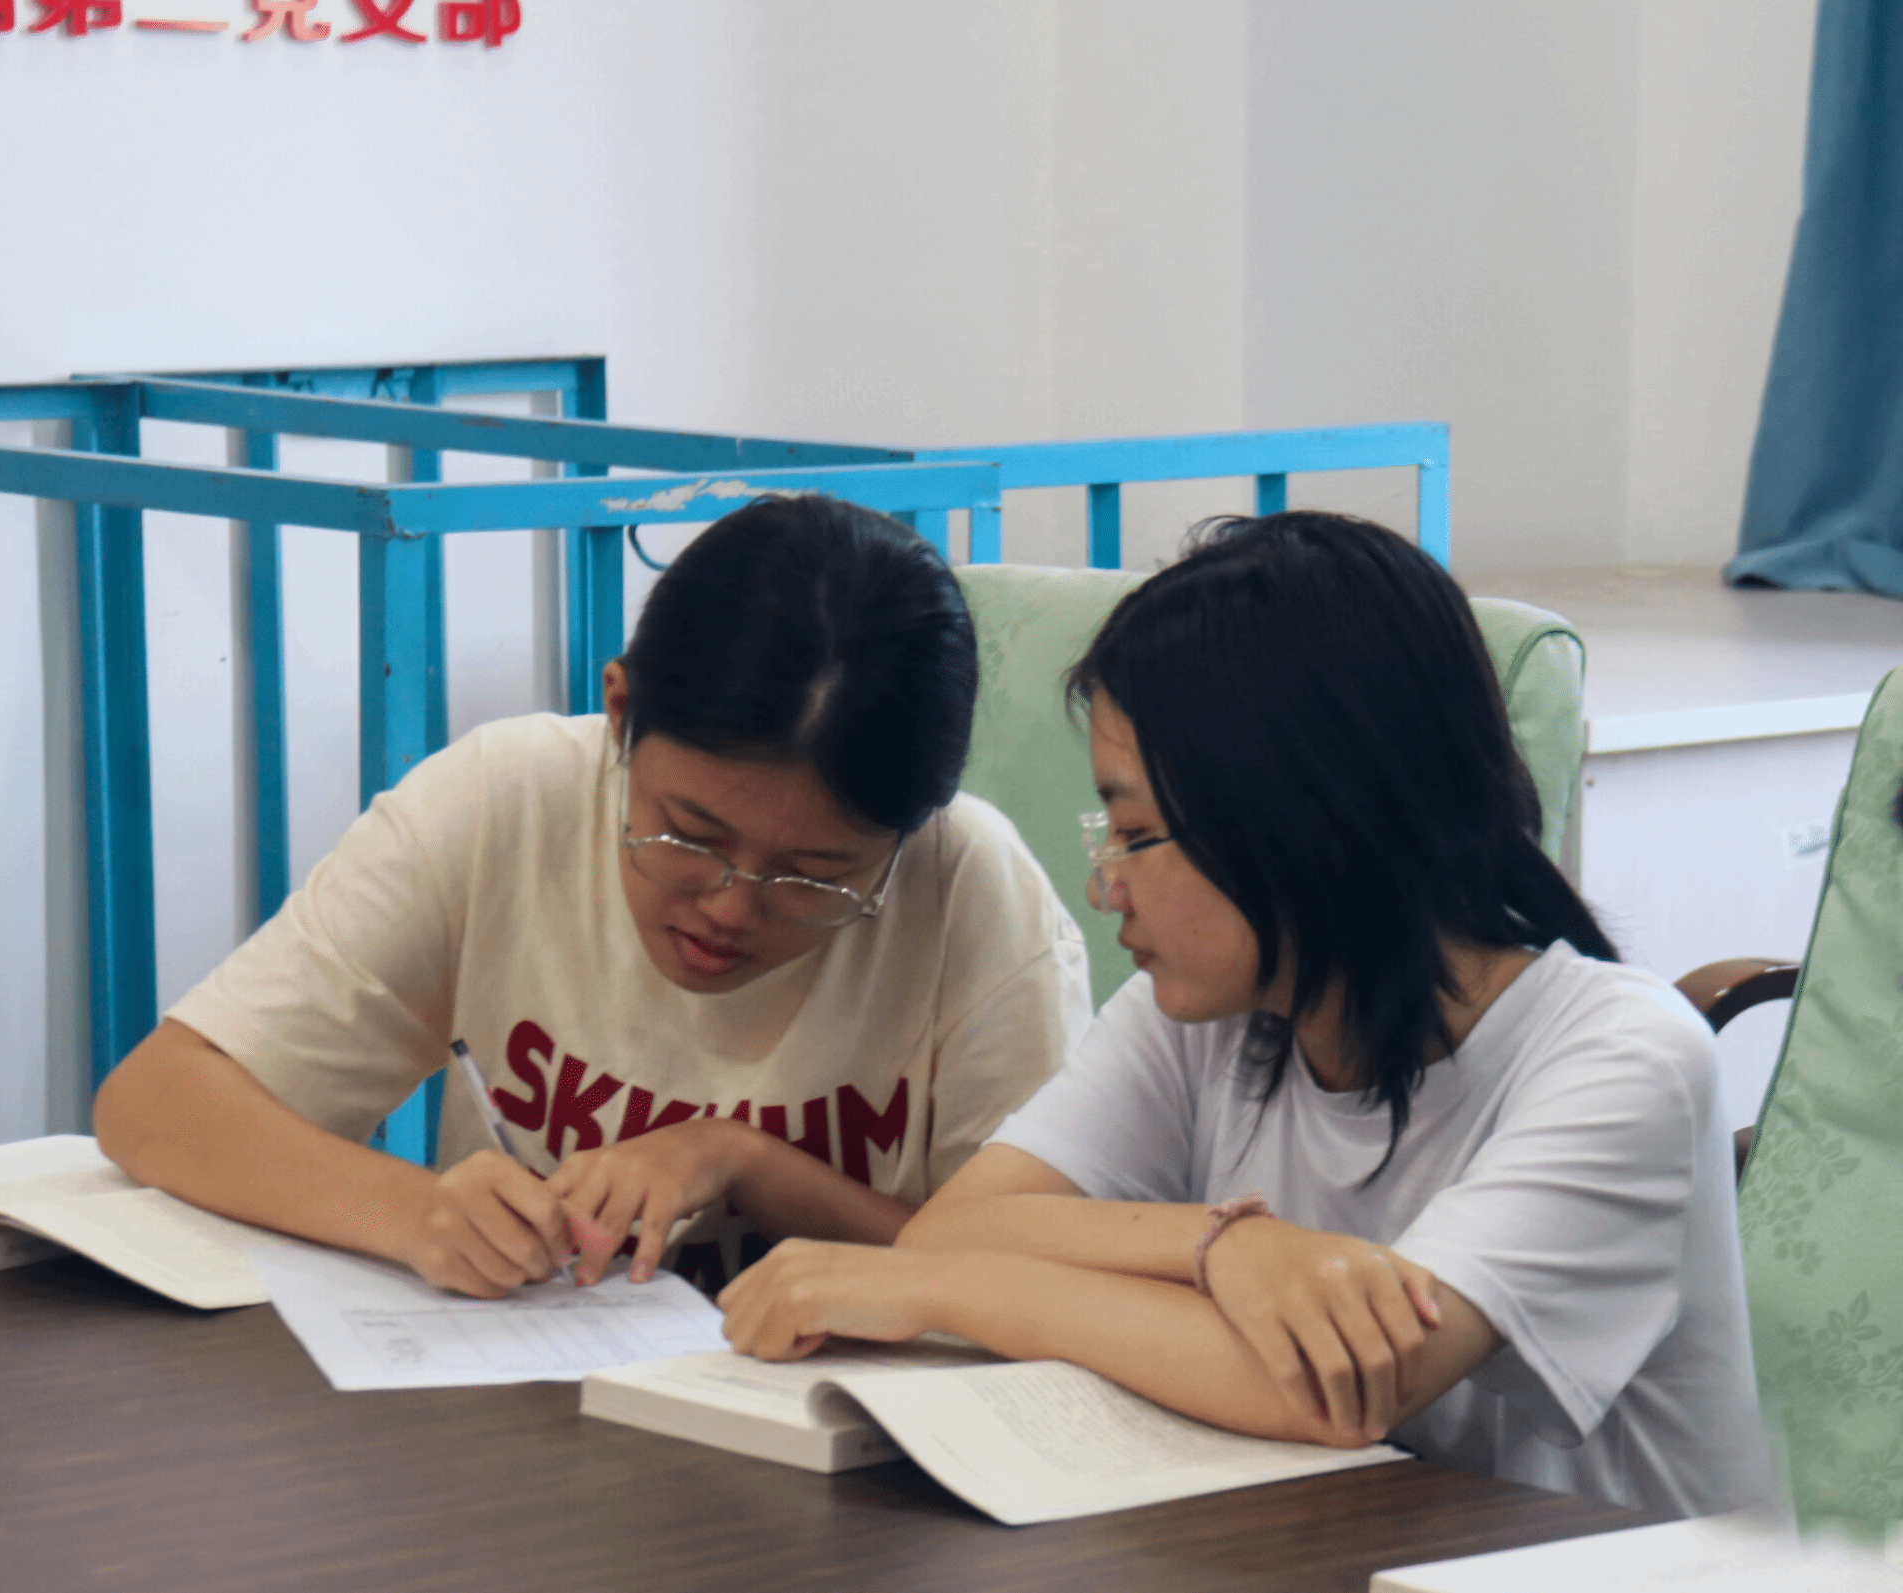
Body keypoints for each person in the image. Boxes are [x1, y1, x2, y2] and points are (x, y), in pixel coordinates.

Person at [719, 511, 1769, 1521]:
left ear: (1310, 820)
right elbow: (960, 1227)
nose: (1104, 886)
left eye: (1137, 836)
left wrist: (935, 1295)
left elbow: (1331, 1391)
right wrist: (1220, 1246)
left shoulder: (1624, 1057)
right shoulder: (1204, 1013)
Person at [95, 494, 1090, 1299]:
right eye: (689, 836)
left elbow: (1036, 1273)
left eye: (815, 878)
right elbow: (155, 1101)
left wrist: (742, 1162)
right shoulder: (504, 801)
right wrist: (414, 1213)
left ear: (912, 831)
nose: (731, 908)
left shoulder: (974, 895)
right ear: (619, 713)